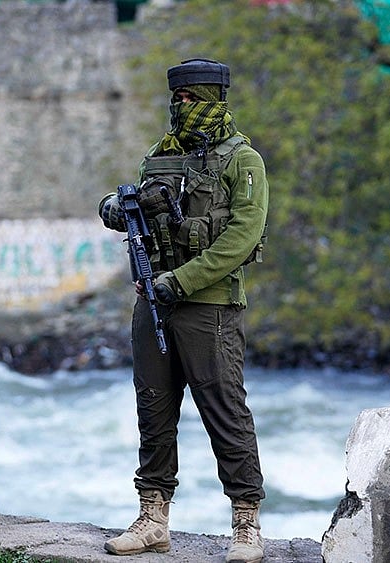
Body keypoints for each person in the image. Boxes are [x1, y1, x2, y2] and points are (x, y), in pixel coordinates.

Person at [98, 58, 269, 563]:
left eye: (191, 99)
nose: (181, 107)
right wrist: (124, 205)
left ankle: (245, 523)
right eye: (178, 99)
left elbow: (241, 238)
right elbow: (119, 208)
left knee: (224, 412)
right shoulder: (159, 158)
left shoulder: (244, 162)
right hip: (153, 303)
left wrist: (182, 281)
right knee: (153, 410)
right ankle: (153, 518)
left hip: (209, 309)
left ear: (213, 99)